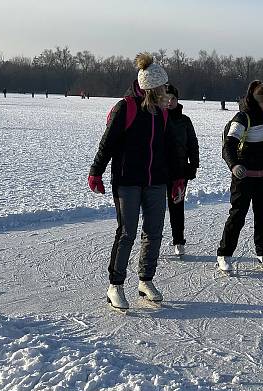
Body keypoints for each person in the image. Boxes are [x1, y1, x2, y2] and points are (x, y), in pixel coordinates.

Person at [87, 52, 181, 310]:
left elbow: (169, 150)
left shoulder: (161, 113)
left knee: (154, 233)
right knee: (127, 233)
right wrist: (96, 171)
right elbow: (107, 143)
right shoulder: (125, 108)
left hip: (155, 181)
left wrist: (177, 179)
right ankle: (115, 285)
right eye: (162, 87)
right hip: (127, 181)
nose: (166, 91)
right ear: (151, 88)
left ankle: (145, 280)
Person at [216, 80, 263, 272]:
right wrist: (234, 165)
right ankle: (224, 254)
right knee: (238, 214)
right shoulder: (242, 118)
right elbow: (228, 145)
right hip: (244, 177)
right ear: (255, 100)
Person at [164, 83, 199, 257]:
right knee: (152, 209)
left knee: (177, 207)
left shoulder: (185, 120)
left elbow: (193, 144)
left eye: (173, 99)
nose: (170, 102)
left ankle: (178, 241)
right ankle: (150, 241)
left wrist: (193, 165)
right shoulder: (156, 117)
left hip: (179, 172)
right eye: (166, 99)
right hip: (157, 171)